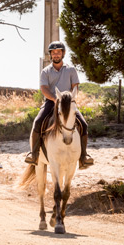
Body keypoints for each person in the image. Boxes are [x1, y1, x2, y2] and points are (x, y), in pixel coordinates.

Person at [24, 41, 94, 169]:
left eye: (58, 52)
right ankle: (34, 155)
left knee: (84, 124)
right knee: (38, 122)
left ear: (63, 53)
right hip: (52, 102)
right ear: (50, 55)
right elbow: (44, 88)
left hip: (68, 103)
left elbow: (75, 88)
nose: (56, 54)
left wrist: (69, 99)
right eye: (53, 52)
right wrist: (55, 99)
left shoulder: (71, 70)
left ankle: (84, 156)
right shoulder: (45, 71)